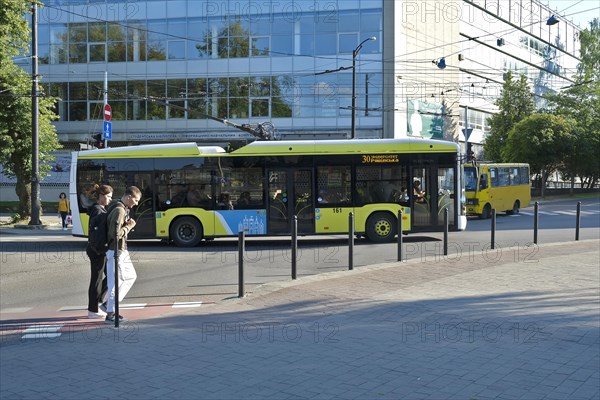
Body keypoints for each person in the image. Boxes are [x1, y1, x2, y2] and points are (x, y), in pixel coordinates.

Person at [104, 186, 141, 323]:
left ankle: (110, 306)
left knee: (130, 277)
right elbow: (115, 234)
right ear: (129, 197)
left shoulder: (117, 206)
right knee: (116, 281)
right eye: (136, 200)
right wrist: (129, 226)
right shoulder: (119, 210)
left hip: (120, 250)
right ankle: (110, 311)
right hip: (116, 251)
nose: (136, 203)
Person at [85, 184, 113, 319]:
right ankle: (93, 309)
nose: (110, 199)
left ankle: (97, 303)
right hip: (97, 250)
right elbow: (96, 233)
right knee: (96, 279)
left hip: (97, 249)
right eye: (108, 196)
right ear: (101, 196)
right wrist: (99, 249)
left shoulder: (99, 209)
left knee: (110, 276)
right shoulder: (98, 210)